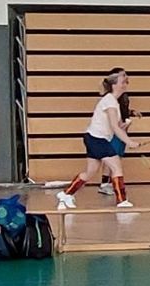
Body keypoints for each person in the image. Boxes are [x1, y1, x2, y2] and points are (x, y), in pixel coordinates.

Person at [57, 68, 140, 209]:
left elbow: (116, 126)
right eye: (123, 81)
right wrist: (129, 141)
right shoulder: (110, 101)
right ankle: (122, 201)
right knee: (116, 167)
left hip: (93, 138)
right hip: (97, 139)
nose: (125, 84)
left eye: (126, 81)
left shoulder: (114, 102)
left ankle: (66, 194)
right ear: (114, 84)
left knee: (90, 172)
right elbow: (114, 127)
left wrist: (125, 126)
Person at [98, 92, 140, 195]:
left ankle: (111, 183)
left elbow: (124, 112)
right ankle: (104, 184)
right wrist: (126, 124)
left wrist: (132, 112)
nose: (126, 102)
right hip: (114, 136)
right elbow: (116, 126)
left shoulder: (122, 106)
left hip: (122, 137)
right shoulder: (112, 106)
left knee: (118, 159)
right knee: (111, 159)